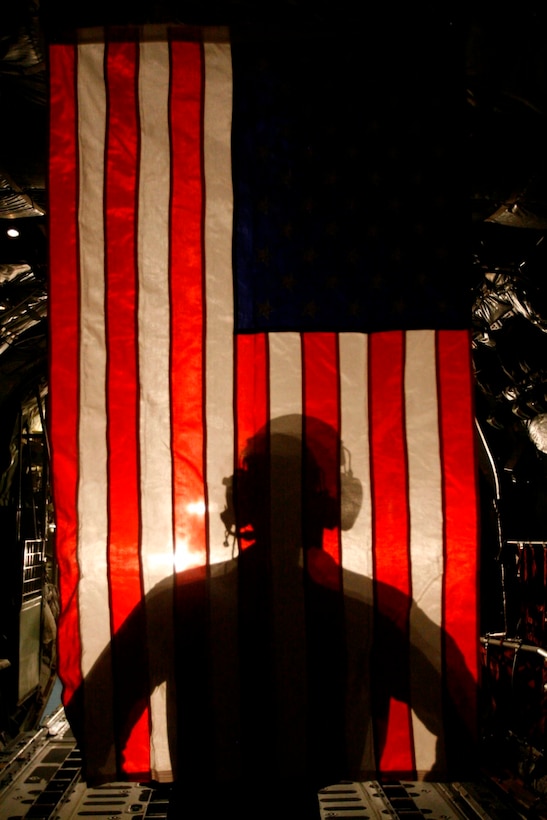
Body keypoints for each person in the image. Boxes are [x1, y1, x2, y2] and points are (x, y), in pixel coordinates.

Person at [65, 414, 478, 819]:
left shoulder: (176, 601)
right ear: (333, 503)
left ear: (240, 500)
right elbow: (463, 714)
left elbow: (95, 711)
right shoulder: (373, 611)